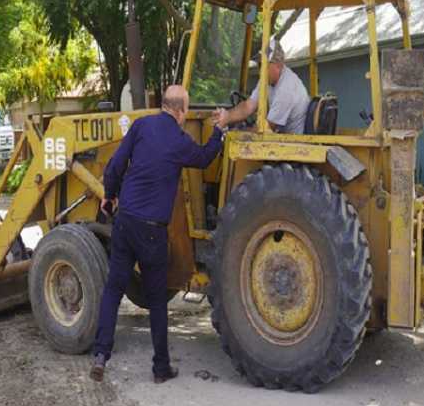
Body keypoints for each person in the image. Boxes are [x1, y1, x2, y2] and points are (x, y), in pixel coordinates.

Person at [90, 85, 227, 384]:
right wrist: (219, 129)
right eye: (187, 109)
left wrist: (109, 196)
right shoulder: (179, 140)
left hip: (125, 222)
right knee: (156, 301)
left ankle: (100, 355)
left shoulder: (141, 126)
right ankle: (160, 368)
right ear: (180, 111)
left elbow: (114, 166)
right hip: (152, 232)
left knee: (114, 290)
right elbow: (205, 158)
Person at [212, 37, 310, 134]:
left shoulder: (286, 88)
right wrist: (226, 116)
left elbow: (267, 128)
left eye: (264, 65)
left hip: (296, 143)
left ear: (278, 65)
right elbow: (248, 106)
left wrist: (237, 133)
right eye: (259, 65)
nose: (260, 71)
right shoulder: (266, 78)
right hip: (282, 137)